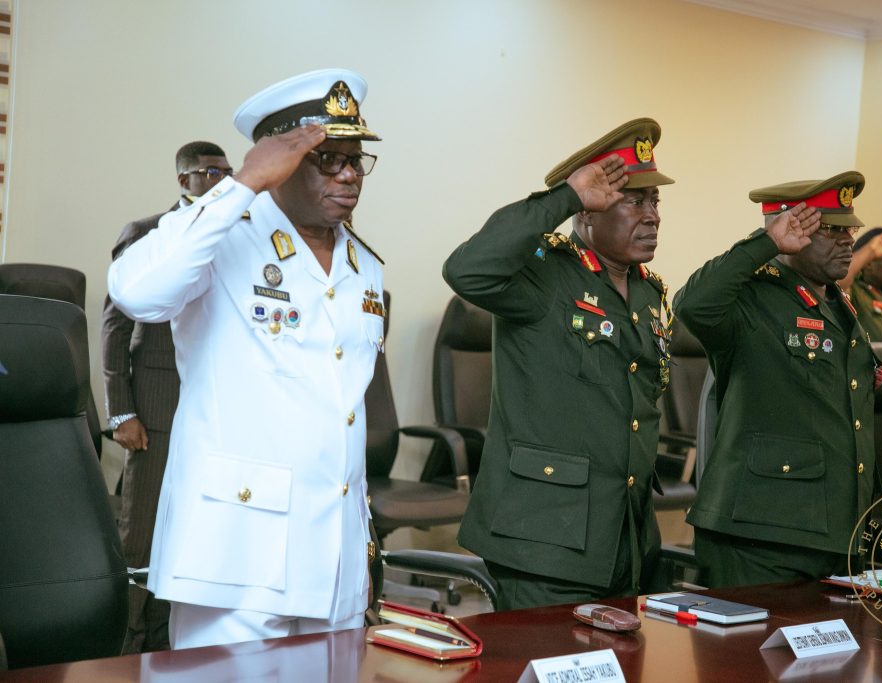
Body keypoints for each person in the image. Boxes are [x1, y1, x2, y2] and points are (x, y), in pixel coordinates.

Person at [107, 68, 384, 649]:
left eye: (357, 160)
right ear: (278, 160)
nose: (350, 174)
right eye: (328, 158)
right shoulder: (222, 232)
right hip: (236, 549)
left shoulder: (366, 266)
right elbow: (136, 292)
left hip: (332, 554)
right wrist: (241, 186)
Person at [444, 118, 675, 610]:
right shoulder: (543, 276)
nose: (652, 215)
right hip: (544, 539)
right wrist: (563, 198)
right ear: (589, 211)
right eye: (634, 201)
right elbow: (466, 269)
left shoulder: (649, 294)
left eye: (655, 202)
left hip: (626, 538)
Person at [674, 171, 879, 588]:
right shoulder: (751, 297)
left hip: (833, 532)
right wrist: (763, 243)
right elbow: (692, 304)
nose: (847, 241)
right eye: (830, 230)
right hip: (759, 533)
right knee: (745, 654)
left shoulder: (841, 308)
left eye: (849, 229)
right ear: (790, 231)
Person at [100, 140, 232, 653]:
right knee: (144, 526)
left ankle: (168, 639)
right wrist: (122, 410)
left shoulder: (236, 236)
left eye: (228, 171)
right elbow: (114, 327)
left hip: (212, 399)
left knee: (195, 524)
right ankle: (128, 642)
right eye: (210, 172)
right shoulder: (147, 232)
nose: (222, 180)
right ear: (184, 180)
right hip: (156, 399)